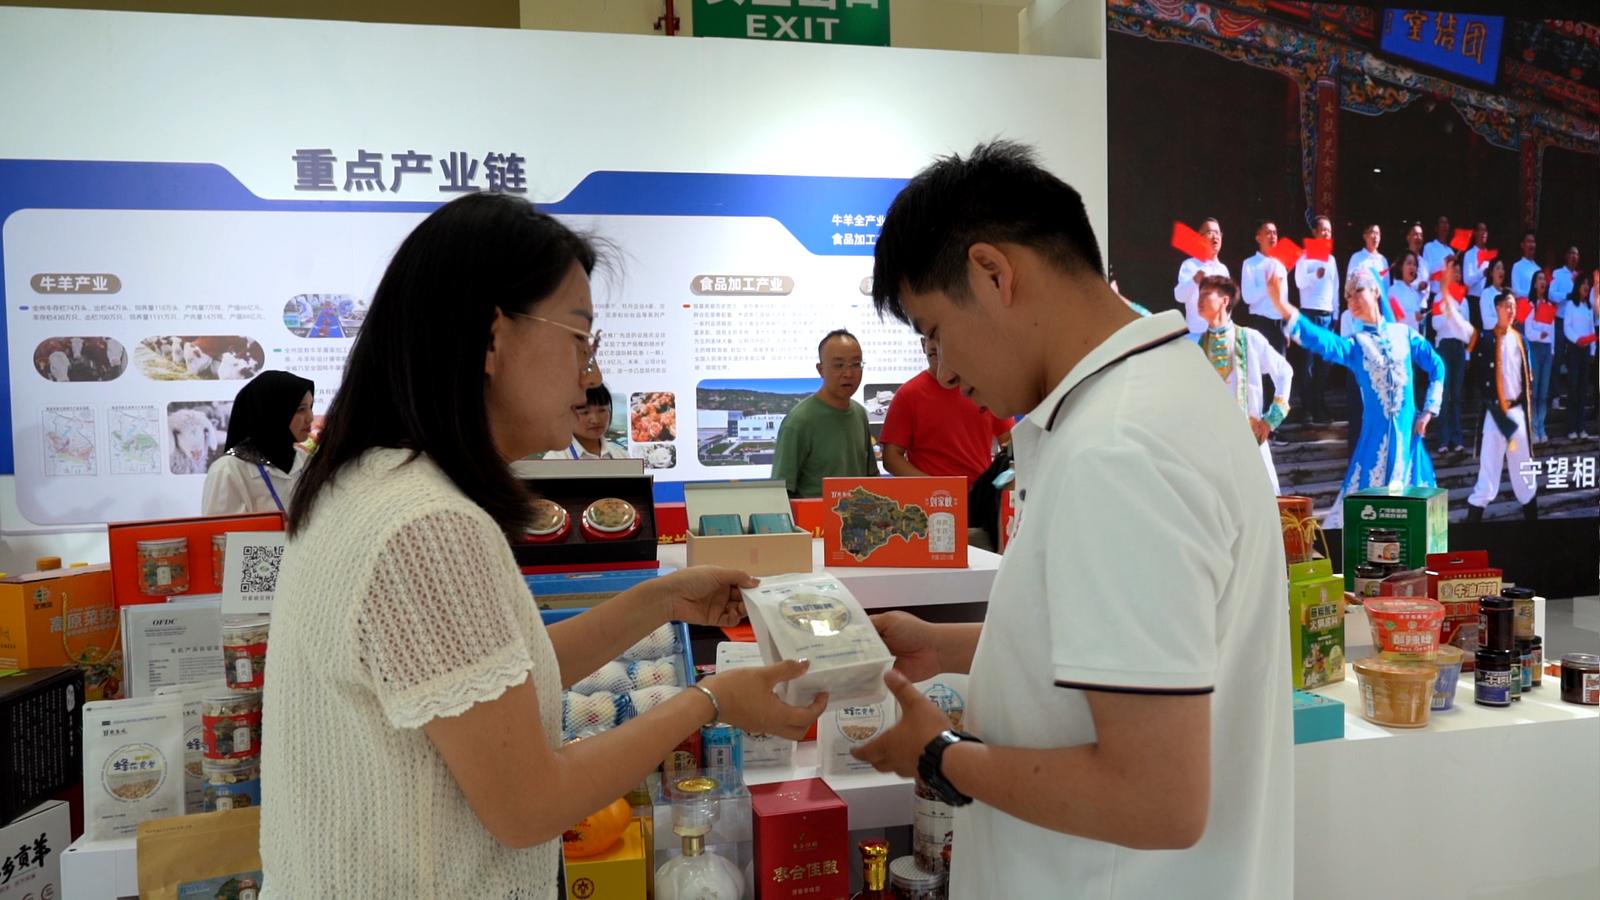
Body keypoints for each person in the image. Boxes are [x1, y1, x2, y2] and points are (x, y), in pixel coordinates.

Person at [260, 193, 824, 897]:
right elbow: (529, 806)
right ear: (492, 338)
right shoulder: (426, 527)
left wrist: (659, 601)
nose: (591, 374)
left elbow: (493, 683)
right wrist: (709, 701)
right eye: (579, 337)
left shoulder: (367, 483)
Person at [853, 141, 1292, 899]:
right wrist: (948, 646)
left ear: (993, 274)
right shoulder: (1161, 393)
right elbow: (1146, 654)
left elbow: (1155, 798)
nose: (943, 372)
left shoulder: (1118, 451)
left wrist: (940, 757)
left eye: (934, 332)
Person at [1269, 269, 1445, 528]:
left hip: (1408, 443)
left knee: (1418, 524)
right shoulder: (1357, 345)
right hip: (1375, 447)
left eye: (1357, 291)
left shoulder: (1404, 334)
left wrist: (1429, 410)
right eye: (1347, 296)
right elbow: (1324, 342)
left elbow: (1437, 365)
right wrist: (1285, 309)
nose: (1352, 300)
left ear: (1375, 291)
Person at [1192, 275, 1293, 493]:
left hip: (1250, 441)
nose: (1199, 300)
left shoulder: (1250, 338)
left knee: (1261, 502)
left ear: (1225, 300)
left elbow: (1285, 372)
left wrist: (1271, 420)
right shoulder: (1195, 345)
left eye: (1206, 294)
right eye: (1199, 294)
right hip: (1212, 447)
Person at [770, 329, 879, 498]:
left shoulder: (859, 413)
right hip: (814, 515)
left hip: (857, 512)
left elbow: (871, 477)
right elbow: (781, 492)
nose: (848, 373)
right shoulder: (799, 421)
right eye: (839, 365)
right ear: (820, 369)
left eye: (856, 364)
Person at [1465, 291, 1537, 523]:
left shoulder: (1521, 340)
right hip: (1495, 413)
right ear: (1497, 308)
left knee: (1525, 474)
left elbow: (1527, 379)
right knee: (1487, 477)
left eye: (1513, 306)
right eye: (1506, 305)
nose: (1511, 310)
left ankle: (1534, 527)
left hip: (1516, 412)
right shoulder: (1486, 339)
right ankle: (1471, 529)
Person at [200, 370, 314, 515]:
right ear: (273, 411)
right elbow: (220, 529)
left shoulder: (307, 461)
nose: (310, 418)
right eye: (301, 409)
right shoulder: (227, 471)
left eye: (310, 407)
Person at [1294, 215, 1339, 423]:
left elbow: (1335, 289)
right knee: (1308, 364)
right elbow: (1299, 282)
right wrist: (1314, 276)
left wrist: (1336, 314)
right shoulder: (1304, 256)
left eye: (1329, 230)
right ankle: (1307, 409)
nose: (1326, 233)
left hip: (1327, 315)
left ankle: (1320, 405)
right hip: (1309, 314)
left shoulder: (1331, 259)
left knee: (1324, 364)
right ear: (1314, 232)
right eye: (1323, 230)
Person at [1431, 255, 1475, 455]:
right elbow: (1436, 325)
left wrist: (1467, 355)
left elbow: (1466, 329)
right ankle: (1443, 439)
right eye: (1452, 271)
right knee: (1444, 394)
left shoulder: (1463, 300)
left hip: (1459, 348)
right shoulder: (1438, 298)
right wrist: (1450, 312)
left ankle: (1457, 439)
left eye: (1458, 272)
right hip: (1444, 346)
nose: (1456, 275)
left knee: (1456, 395)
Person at [1239, 219, 1289, 353]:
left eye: (1275, 233)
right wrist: (1268, 287)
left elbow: (1284, 298)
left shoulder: (1281, 264)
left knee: (1279, 365)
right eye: (1268, 233)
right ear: (1258, 238)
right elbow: (1247, 297)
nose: (1272, 236)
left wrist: (1287, 328)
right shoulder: (1250, 263)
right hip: (1260, 323)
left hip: (1279, 325)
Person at [1173, 217, 1228, 335]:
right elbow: (1179, 296)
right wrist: (1195, 280)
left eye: (1218, 233)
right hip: (1196, 334)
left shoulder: (1223, 270)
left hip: (1219, 336)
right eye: (1210, 232)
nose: (1215, 236)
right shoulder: (1190, 265)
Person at [544, 383, 629, 459]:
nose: (595, 420)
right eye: (585, 412)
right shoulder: (555, 459)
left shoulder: (622, 456)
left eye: (602, 410)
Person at [1560, 272, 1595, 439]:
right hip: (1574, 349)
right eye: (1584, 283)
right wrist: (1577, 340)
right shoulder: (1570, 305)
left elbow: (1592, 329)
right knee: (1573, 389)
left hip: (1586, 351)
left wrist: (1592, 350)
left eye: (1588, 284)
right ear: (1578, 286)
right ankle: (1571, 428)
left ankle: (1582, 427)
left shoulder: (1588, 307)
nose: (1586, 286)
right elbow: (1567, 327)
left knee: (1583, 390)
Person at [1524, 270, 1557, 444]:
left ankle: (1541, 426)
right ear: (1535, 284)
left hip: (1546, 350)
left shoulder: (1549, 305)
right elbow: (1528, 332)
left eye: (1545, 279)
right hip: (1535, 349)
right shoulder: (1530, 305)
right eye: (1540, 279)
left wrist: (1552, 350)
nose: (1543, 282)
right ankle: (1533, 428)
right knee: (1534, 392)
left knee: (1543, 393)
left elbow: (1552, 331)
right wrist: (1540, 335)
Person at [1346, 223, 1390, 308]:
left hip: (1377, 307)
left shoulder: (1383, 260)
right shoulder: (1356, 257)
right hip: (1360, 305)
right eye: (1373, 233)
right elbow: (1349, 285)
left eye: (1378, 234)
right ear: (1365, 236)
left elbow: (1386, 288)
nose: (1376, 237)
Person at [1389, 250, 1426, 333]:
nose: (1412, 267)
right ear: (1400, 267)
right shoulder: (1393, 291)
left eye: (1415, 264)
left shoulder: (1415, 293)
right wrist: (1413, 317)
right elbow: (1396, 316)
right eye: (1409, 263)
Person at [1462, 222, 1491, 325]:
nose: (1484, 233)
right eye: (1481, 230)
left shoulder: (1489, 255)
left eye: (1485, 230)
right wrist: (1482, 273)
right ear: (1475, 233)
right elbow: (1467, 280)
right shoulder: (1470, 254)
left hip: (1488, 300)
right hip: (1474, 300)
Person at [1403, 221, 1432, 309]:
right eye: (1415, 234)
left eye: (1421, 235)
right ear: (1408, 238)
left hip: (1422, 308)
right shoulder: (1402, 260)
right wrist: (1417, 286)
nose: (1418, 237)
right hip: (1407, 307)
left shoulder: (1425, 263)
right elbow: (1398, 284)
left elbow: (1427, 288)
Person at [1511, 230, 1540, 299]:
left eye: (1533, 242)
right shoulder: (1517, 266)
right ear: (1522, 245)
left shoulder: (1538, 269)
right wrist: (1532, 295)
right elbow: (1515, 292)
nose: (1531, 244)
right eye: (1528, 241)